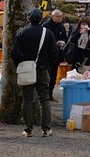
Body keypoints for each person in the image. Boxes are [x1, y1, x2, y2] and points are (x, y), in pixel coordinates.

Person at [11, 8, 58, 137]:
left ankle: (28, 129)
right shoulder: (47, 33)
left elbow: (14, 53)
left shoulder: (22, 33)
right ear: (41, 18)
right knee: (44, 99)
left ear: (28, 19)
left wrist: (20, 63)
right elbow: (54, 53)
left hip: (26, 69)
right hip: (42, 68)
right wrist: (49, 66)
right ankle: (46, 129)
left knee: (27, 99)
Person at [42, 9, 67, 101]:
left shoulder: (61, 27)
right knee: (46, 76)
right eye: (57, 16)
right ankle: (44, 94)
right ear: (52, 17)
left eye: (61, 16)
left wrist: (63, 41)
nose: (60, 18)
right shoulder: (46, 26)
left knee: (54, 76)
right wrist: (54, 43)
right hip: (47, 55)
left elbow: (65, 37)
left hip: (57, 54)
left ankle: (50, 94)